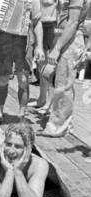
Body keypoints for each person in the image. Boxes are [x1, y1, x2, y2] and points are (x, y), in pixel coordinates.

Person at [0, 0, 45, 124]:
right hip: (4, 37)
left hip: (24, 39)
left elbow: (37, 22)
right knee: (2, 78)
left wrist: (39, 46)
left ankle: (21, 114)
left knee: (24, 80)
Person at [41, 0, 91, 137]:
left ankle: (57, 127)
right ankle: (64, 122)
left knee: (63, 85)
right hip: (63, 36)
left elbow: (73, 22)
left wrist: (57, 49)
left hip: (71, 40)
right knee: (53, 78)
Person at [0, 122, 49, 197]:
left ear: (28, 149)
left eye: (18, 147)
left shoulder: (39, 165)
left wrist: (17, 171)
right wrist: (9, 172)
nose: (11, 151)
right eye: (8, 144)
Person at [29, 0, 58, 113]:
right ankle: (41, 99)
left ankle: (49, 103)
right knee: (41, 65)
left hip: (51, 26)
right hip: (37, 25)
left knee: (49, 68)